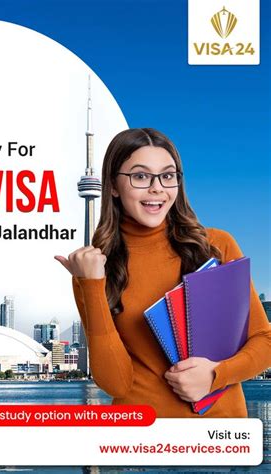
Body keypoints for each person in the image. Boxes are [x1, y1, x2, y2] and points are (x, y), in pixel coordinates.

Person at [55, 128, 271, 417]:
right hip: (142, 445)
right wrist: (91, 284)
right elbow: (115, 384)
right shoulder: (92, 268)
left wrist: (216, 375)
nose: (157, 188)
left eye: (168, 176)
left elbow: (265, 341)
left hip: (222, 442)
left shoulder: (216, 246)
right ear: (114, 186)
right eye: (141, 176)